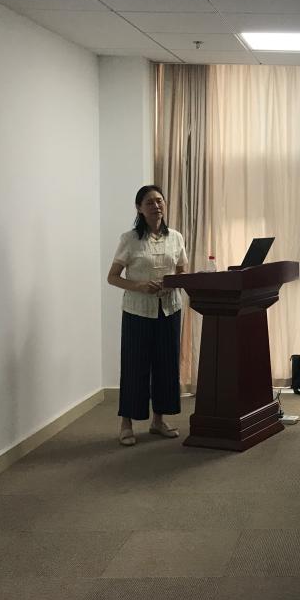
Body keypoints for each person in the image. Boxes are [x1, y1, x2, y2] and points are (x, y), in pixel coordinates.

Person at [106, 185, 188, 446]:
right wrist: (139, 285)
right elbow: (112, 277)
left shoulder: (176, 237)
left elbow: (182, 273)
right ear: (139, 208)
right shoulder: (129, 239)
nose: (156, 206)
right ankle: (127, 423)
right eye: (150, 202)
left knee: (166, 366)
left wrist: (171, 284)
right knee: (135, 366)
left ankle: (158, 421)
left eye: (160, 201)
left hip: (169, 309)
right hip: (137, 312)